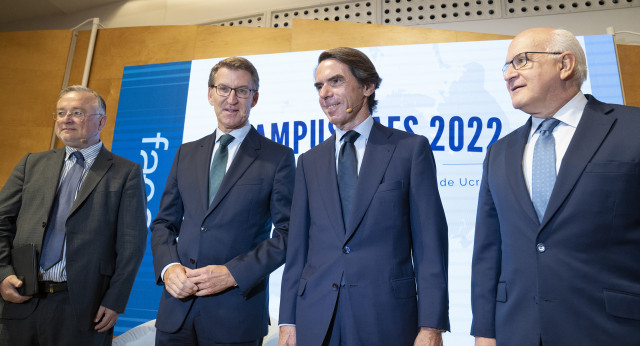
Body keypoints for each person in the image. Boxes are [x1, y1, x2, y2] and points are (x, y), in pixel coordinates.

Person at [471, 28, 640, 346]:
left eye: (521, 61)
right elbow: (487, 251)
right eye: (506, 66)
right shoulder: (500, 152)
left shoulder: (633, 130)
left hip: (612, 331)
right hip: (517, 332)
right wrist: (484, 331)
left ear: (565, 64)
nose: (509, 74)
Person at [278, 47, 449, 346]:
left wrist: (432, 325)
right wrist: (287, 321)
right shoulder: (308, 161)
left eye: (335, 82)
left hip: (387, 319)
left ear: (368, 87)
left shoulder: (410, 150)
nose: (325, 93)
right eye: (319, 86)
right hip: (316, 320)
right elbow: (297, 252)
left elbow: (430, 245)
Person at [150, 56, 295, 345]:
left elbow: (288, 234)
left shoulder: (278, 157)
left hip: (236, 315)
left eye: (242, 90)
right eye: (223, 88)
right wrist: (169, 269)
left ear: (254, 98)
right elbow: (164, 223)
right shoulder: (185, 153)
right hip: (176, 310)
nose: (232, 98)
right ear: (209, 94)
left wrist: (233, 273)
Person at [0, 85, 148, 345]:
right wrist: (2, 273)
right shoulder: (30, 164)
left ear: (101, 121)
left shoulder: (126, 173)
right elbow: (2, 223)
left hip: (84, 308)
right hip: (22, 299)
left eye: (77, 113)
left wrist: (115, 300)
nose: (66, 119)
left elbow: (131, 244)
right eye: (61, 113)